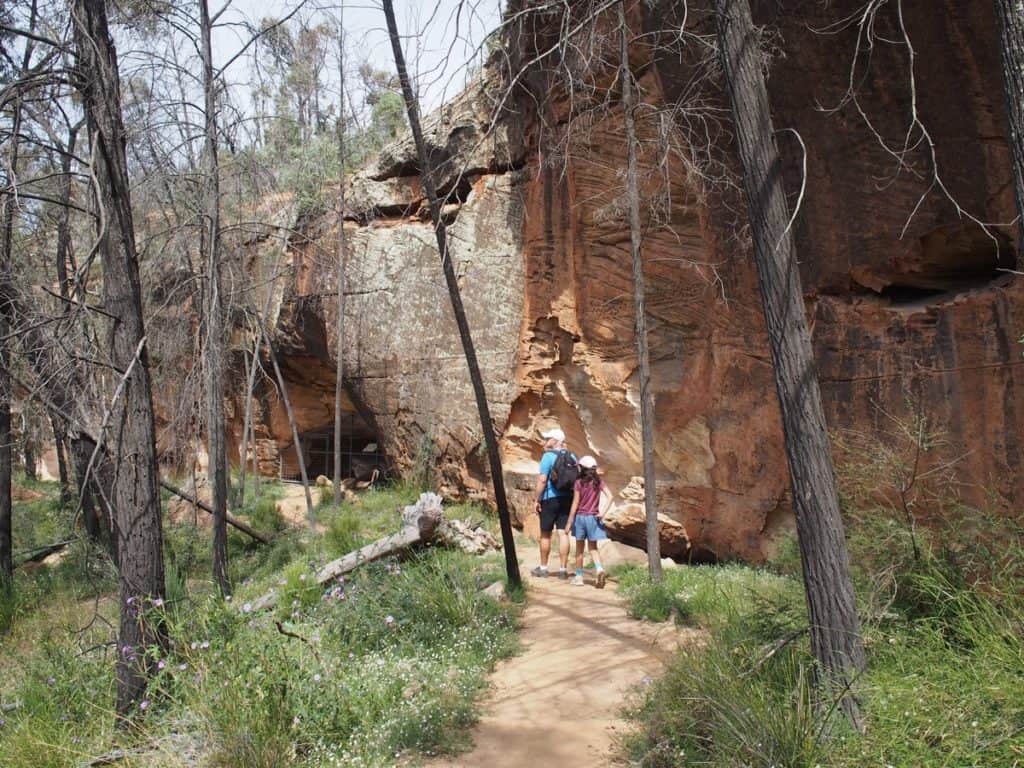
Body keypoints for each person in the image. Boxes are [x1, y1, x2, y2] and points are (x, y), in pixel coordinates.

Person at [531, 427, 576, 579]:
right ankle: (563, 570)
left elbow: (543, 480)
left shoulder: (548, 457)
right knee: (563, 533)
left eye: (548, 438)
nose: (545, 441)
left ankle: (543, 568)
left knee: (545, 534)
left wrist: (537, 499)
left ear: (555, 441)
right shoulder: (572, 457)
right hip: (567, 499)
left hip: (550, 498)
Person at [565, 455, 611, 587]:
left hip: (580, 517)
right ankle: (599, 569)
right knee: (593, 548)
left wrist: (569, 522)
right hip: (593, 518)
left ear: (582, 468)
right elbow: (610, 496)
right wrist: (602, 512)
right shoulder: (598, 482)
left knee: (579, 549)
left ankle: (579, 577)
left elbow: (575, 502)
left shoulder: (579, 483)